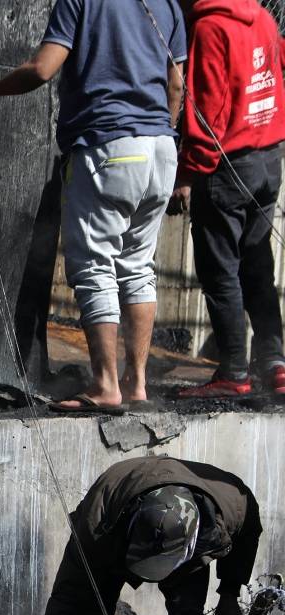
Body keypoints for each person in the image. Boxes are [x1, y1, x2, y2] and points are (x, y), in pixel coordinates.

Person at [0, 0, 186, 413]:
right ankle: (136, 385)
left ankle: (105, 385)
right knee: (138, 266)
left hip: (108, 145)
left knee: (94, 265)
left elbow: (43, 68)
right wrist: (161, 133)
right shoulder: (168, 4)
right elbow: (176, 86)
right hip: (161, 151)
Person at [43, 456, 262, 615]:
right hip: (116, 536)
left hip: (186, 552)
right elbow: (68, 603)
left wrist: (229, 593)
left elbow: (248, 532)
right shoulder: (96, 527)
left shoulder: (231, 504)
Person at [170, 0, 285, 399]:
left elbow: (206, 111)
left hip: (227, 165)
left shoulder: (210, 28)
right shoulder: (264, 18)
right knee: (257, 264)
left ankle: (234, 371)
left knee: (220, 270)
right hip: (268, 159)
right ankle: (274, 362)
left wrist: (187, 173)